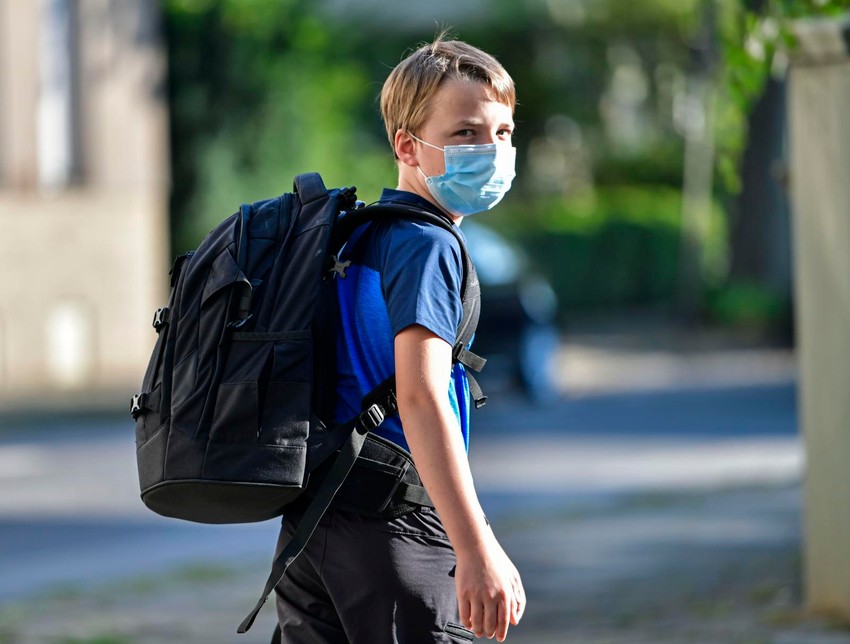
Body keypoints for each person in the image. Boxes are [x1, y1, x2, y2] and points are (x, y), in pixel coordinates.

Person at [274, 35, 525, 643]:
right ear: (407, 146)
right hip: (394, 527)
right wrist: (476, 545)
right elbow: (420, 395)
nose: (492, 150)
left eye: (503, 132)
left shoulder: (357, 235)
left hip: (314, 523)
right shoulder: (428, 245)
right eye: (466, 133)